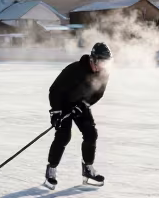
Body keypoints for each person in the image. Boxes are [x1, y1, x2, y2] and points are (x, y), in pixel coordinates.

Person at [44, 42, 112, 189]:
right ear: (93, 59)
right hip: (63, 104)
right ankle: (51, 171)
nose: (103, 65)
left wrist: (84, 105)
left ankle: (88, 170)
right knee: (63, 136)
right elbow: (54, 90)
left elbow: (98, 93)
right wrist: (56, 112)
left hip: (81, 104)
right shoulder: (74, 69)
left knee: (91, 134)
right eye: (101, 61)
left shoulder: (104, 73)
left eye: (106, 62)